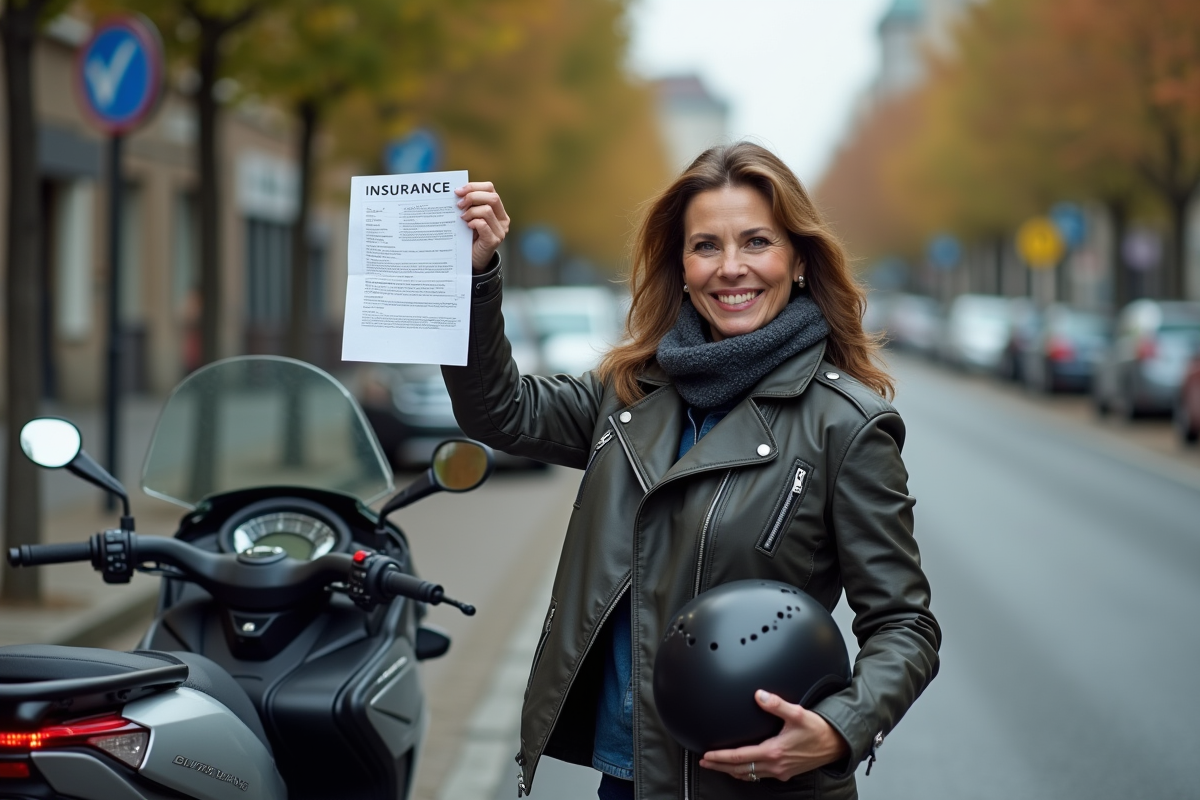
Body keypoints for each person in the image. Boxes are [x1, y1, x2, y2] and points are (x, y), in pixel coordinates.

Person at [443, 142, 940, 800]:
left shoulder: (846, 424)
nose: (731, 269)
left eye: (757, 242)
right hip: (626, 781)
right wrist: (475, 279)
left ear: (797, 262)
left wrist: (839, 727)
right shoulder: (630, 394)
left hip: (758, 786)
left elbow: (905, 624)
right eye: (706, 246)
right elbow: (499, 413)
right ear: (680, 267)